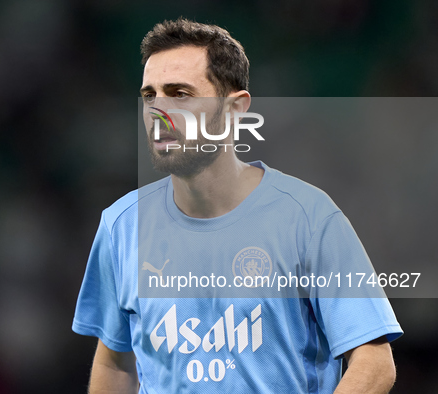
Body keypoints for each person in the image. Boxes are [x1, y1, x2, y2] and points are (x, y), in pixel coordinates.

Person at [72, 18, 402, 393]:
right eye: (150, 96)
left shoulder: (308, 218)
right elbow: (114, 361)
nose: (158, 112)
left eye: (180, 94)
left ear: (234, 109)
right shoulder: (121, 226)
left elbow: (374, 363)